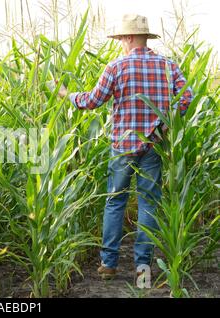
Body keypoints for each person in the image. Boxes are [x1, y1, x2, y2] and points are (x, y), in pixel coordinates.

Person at [58, 14, 193, 280]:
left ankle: (108, 264)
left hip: (122, 146)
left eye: (121, 38)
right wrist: (166, 122)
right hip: (154, 146)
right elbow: (186, 95)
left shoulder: (116, 67)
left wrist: (66, 95)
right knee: (149, 204)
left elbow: (93, 101)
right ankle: (143, 266)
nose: (120, 43)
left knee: (115, 202)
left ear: (129, 37)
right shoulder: (167, 66)